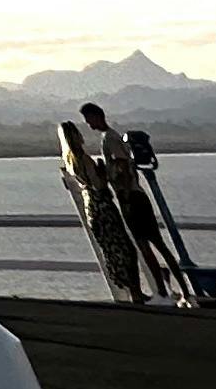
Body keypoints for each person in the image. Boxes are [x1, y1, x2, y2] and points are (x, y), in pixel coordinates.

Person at [77, 104, 191, 305]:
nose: (88, 123)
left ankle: (164, 294)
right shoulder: (111, 137)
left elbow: (122, 166)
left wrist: (123, 192)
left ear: (97, 116)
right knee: (157, 245)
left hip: (131, 199)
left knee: (146, 246)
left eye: (89, 118)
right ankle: (182, 291)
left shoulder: (110, 138)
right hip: (135, 197)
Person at [60, 117, 149, 305]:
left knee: (111, 250)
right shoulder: (84, 158)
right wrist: (104, 172)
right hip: (102, 204)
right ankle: (136, 292)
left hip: (90, 205)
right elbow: (98, 183)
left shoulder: (69, 161)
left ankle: (126, 291)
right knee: (126, 249)